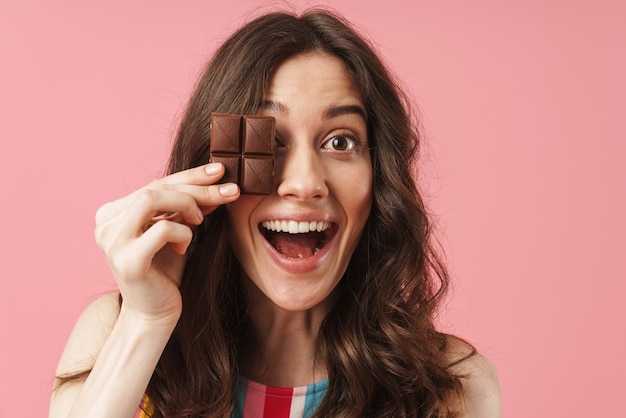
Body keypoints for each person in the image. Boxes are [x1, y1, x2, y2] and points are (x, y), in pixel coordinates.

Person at [50, 9, 501, 418]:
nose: (305, 183)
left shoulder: (453, 386)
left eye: (340, 141)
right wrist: (146, 324)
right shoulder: (115, 333)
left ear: (379, 175)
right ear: (208, 170)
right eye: (269, 143)